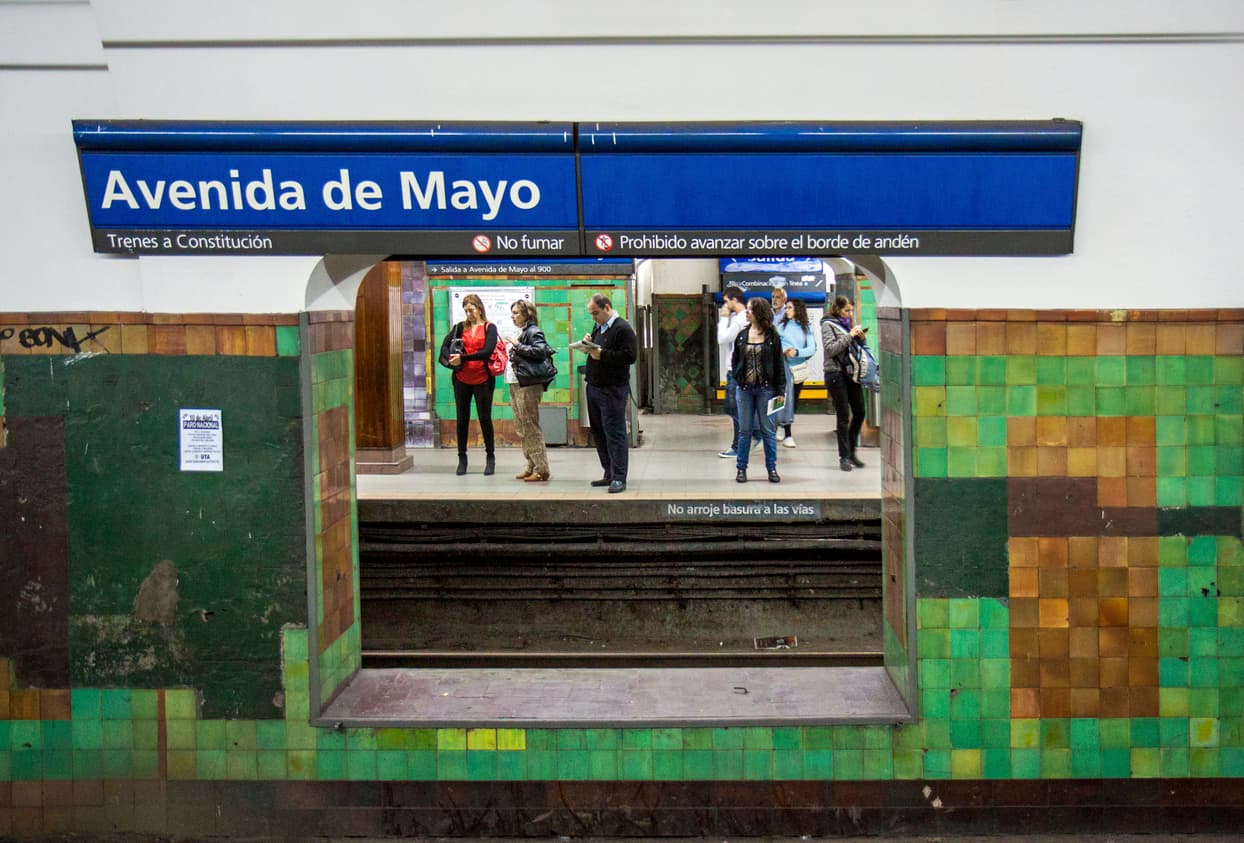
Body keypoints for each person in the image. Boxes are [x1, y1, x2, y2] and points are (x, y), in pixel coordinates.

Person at [582, 293, 637, 493]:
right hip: (595, 386)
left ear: (606, 308)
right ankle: (609, 472)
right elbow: (598, 349)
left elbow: (630, 356)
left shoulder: (623, 328)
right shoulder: (599, 327)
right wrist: (588, 342)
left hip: (612, 389)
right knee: (598, 431)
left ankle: (619, 477)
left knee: (615, 432)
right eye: (591, 314)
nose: (593, 318)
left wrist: (602, 354)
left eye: (595, 313)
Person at [443, 293, 499, 476]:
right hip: (462, 379)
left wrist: (463, 358)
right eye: (465, 310)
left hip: (483, 379)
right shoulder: (459, 327)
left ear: (479, 308)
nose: (468, 313)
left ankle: (490, 458)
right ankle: (462, 458)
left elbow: (487, 351)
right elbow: (444, 347)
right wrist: (452, 359)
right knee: (462, 419)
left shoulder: (490, 327)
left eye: (471, 310)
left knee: (485, 419)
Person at [731, 297, 785, 484]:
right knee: (744, 430)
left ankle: (771, 468)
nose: (747, 312)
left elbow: (779, 365)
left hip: (767, 390)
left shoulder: (772, 337)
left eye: (750, 310)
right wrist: (738, 379)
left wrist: (780, 391)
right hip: (745, 389)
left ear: (758, 313)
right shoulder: (742, 335)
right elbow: (735, 360)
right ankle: (741, 469)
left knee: (768, 430)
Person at [506, 299, 558, 482]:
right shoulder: (521, 332)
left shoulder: (533, 331)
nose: (513, 316)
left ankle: (542, 468)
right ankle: (531, 464)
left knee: (530, 425)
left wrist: (517, 345)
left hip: (528, 384)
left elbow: (540, 351)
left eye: (516, 313)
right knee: (521, 427)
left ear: (527, 314)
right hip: (516, 383)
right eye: (512, 313)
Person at [821, 295, 868, 472]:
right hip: (835, 374)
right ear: (837, 309)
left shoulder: (848, 326)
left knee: (860, 411)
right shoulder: (828, 324)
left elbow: (856, 350)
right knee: (843, 416)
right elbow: (831, 348)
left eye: (851, 310)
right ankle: (844, 456)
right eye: (846, 310)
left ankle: (852, 450)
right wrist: (849, 336)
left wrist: (861, 338)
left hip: (852, 373)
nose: (849, 314)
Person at [715, 285, 759, 458]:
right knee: (735, 407)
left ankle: (752, 436)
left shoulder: (740, 319)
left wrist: (723, 319)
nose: (724, 305)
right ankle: (748, 438)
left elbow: (722, 339)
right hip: (738, 368)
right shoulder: (741, 318)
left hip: (737, 370)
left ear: (734, 300)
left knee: (734, 407)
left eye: (726, 301)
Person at [775, 298, 818, 448]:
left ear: (798, 309)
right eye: (786, 308)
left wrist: (797, 351)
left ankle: (783, 425)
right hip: (783, 366)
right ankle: (786, 431)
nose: (786, 310)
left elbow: (812, 348)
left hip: (798, 368)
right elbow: (774, 345)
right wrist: (783, 351)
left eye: (789, 308)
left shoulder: (807, 328)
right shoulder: (780, 326)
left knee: (793, 401)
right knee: (783, 398)